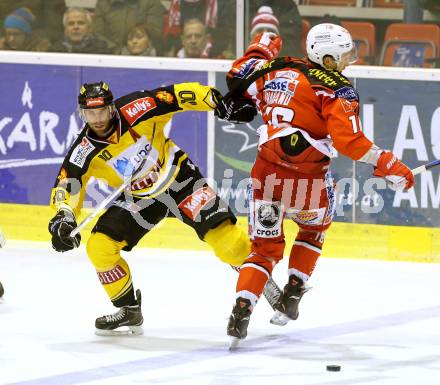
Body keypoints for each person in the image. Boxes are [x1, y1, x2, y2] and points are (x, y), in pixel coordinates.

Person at [224, 25, 415, 347]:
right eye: (342, 56)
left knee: (264, 251)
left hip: (265, 176)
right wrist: (387, 163)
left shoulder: (276, 68)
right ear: (326, 57)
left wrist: (262, 47)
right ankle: (295, 289)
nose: (347, 62)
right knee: (313, 231)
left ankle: (241, 309)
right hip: (307, 182)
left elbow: (236, 77)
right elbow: (350, 142)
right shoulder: (336, 88)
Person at [48, 81, 257, 335]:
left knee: (230, 245)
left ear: (112, 108)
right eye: (90, 113)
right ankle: (129, 310)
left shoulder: (137, 108)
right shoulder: (83, 151)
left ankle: (256, 273)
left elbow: (178, 95)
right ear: (82, 113)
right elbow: (68, 185)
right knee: (99, 246)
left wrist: (216, 102)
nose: (97, 119)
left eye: (101, 111)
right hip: (139, 199)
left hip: (179, 179)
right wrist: (64, 217)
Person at [93, 0, 166, 54]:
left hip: (145, 57)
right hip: (110, 55)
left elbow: (154, 33)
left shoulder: (152, 2)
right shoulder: (103, 3)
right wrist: (116, 51)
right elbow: (98, 35)